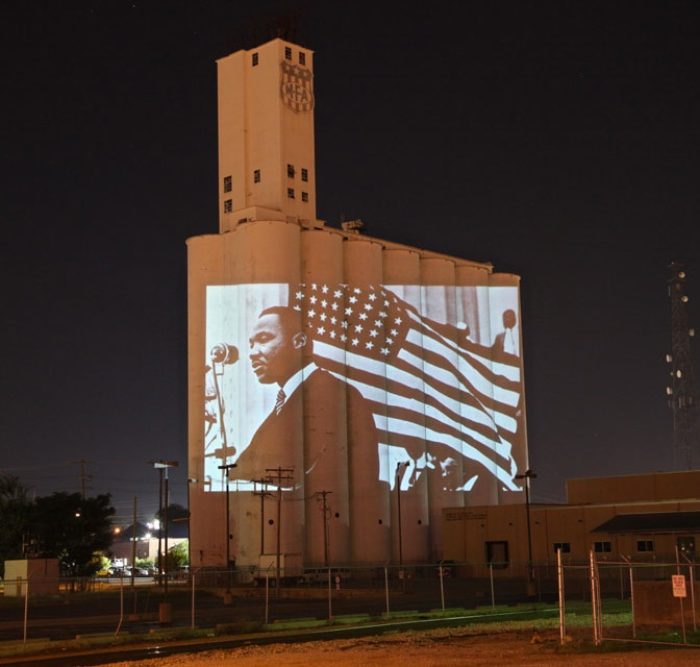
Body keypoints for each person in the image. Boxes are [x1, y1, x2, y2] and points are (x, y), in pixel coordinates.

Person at [233, 305, 380, 492]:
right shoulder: (290, 399)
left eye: (264, 339)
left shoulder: (333, 395)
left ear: (299, 341)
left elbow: (305, 479)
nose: (252, 353)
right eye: (251, 344)